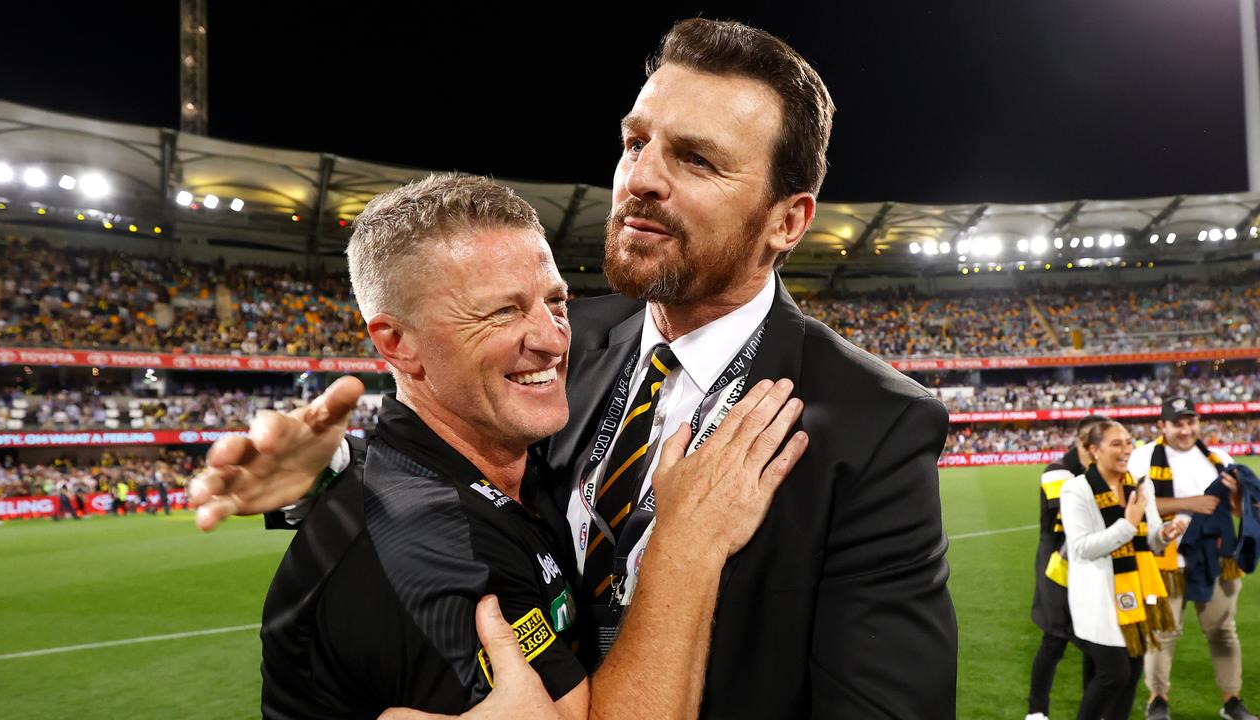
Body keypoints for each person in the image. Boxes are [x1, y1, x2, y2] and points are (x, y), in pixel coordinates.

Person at [192, 18, 957, 718]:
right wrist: (336, 474)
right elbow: (460, 461)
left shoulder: (873, 422)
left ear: (787, 220)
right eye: (636, 143)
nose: (641, 178)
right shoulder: (566, 339)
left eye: (695, 159)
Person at [259, 175, 807, 719]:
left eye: (556, 301)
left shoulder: (504, 459)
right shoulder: (435, 549)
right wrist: (686, 544)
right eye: (502, 312)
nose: (552, 339)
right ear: (398, 344)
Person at [1126, 397, 1255, 720]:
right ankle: (1158, 699)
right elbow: (1135, 505)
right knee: (1162, 634)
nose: (1185, 430)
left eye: (1190, 422)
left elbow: (1236, 510)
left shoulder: (1218, 458)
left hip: (1215, 559)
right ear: (1162, 425)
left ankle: (1232, 701)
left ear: (1198, 422)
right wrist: (1193, 503)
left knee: (1224, 631)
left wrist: (1239, 501)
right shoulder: (1141, 458)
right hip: (1162, 560)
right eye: (1177, 423)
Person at [1059, 419, 1185, 720]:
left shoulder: (1141, 485)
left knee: (1131, 673)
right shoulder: (1076, 490)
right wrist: (1127, 525)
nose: (1126, 449)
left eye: (1128, 442)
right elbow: (1081, 548)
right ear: (1094, 450)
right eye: (1116, 443)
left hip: (1136, 594)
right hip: (1099, 599)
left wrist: (1164, 535)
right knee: (1113, 674)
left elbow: (1152, 538)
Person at [1026, 415, 1108, 720]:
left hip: (1090, 562)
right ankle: (1036, 710)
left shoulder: (1095, 470)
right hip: (1056, 564)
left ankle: (1094, 707)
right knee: (1055, 637)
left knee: (1094, 640)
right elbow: (1074, 514)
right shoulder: (1056, 471)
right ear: (1083, 441)